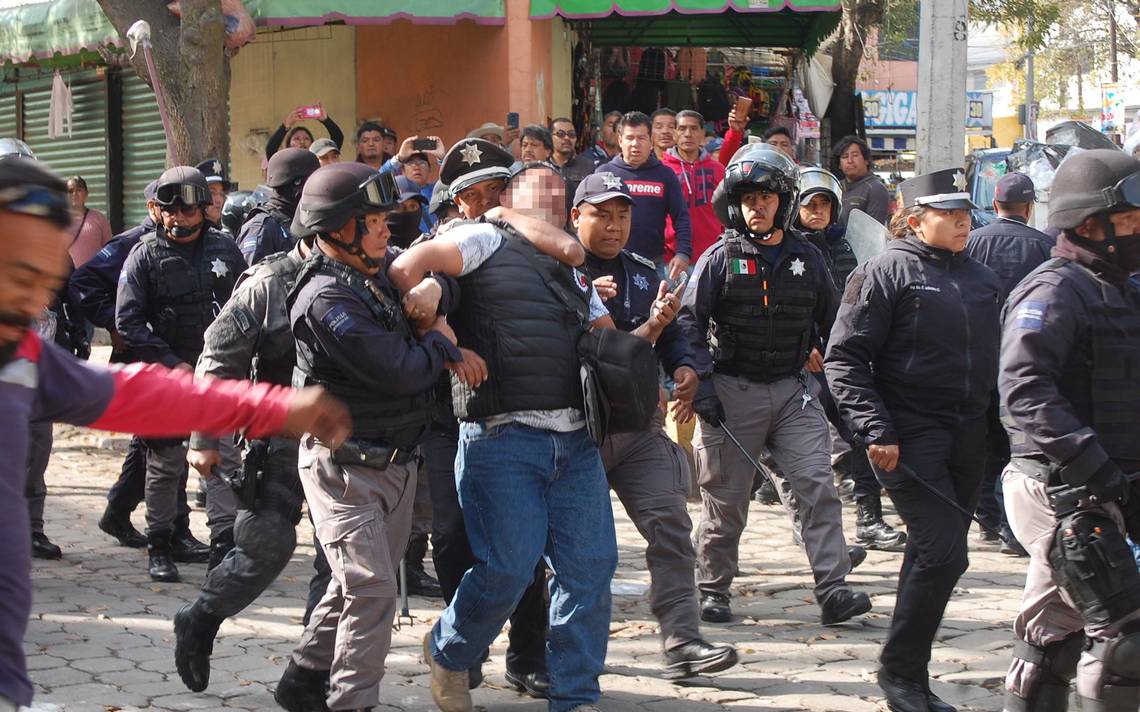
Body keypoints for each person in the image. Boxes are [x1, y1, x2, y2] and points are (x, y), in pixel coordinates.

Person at [0, 154, 349, 712]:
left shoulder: (21, 357)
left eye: (45, 282)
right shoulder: (155, 259)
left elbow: (133, 393)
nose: (36, 300)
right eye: (21, 276)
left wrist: (273, 408)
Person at [390, 139, 644, 712]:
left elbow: (593, 304)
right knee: (506, 569)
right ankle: (450, 649)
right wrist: (444, 337)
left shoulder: (563, 259)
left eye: (557, 194)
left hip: (575, 441)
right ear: (496, 198)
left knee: (590, 568)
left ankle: (575, 696)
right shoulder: (481, 237)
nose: (550, 202)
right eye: (534, 191)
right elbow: (409, 271)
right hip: (505, 439)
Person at [273, 163, 462, 712]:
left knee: (353, 582)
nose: (386, 230)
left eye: (385, 219)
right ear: (335, 228)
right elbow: (398, 370)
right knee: (373, 589)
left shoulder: (372, 272)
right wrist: (442, 342)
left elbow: (439, 268)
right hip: (345, 469)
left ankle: (303, 677)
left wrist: (434, 287)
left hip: (396, 462)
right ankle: (352, 701)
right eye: (372, 221)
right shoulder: (326, 298)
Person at [825, 168, 1002, 712]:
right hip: (909, 433)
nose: (960, 222)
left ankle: (910, 679)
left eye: (964, 213)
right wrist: (875, 429)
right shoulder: (885, 271)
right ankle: (899, 672)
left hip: (971, 434)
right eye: (947, 214)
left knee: (932, 553)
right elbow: (844, 358)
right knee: (946, 552)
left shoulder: (982, 277)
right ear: (915, 218)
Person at [677, 144, 871, 629]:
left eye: (765, 197)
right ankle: (713, 587)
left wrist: (839, 366)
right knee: (726, 501)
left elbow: (837, 322)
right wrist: (699, 383)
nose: (755, 206)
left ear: (783, 201)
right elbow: (688, 324)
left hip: (793, 392)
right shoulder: (719, 258)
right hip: (730, 394)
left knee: (816, 485)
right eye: (747, 198)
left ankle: (834, 588)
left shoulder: (808, 256)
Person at [574, 171, 739, 679]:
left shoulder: (645, 273)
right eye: (602, 214)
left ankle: (683, 640)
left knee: (670, 526)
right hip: (578, 432)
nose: (614, 226)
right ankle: (551, 653)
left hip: (641, 428)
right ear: (575, 216)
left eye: (623, 215)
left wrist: (687, 366)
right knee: (575, 549)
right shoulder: (556, 275)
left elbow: (679, 332)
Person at [408, 143, 554, 698]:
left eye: (500, 191)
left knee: (527, 543)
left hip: (513, 411)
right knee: (451, 535)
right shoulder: (440, 248)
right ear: (458, 200)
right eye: (480, 193)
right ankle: (461, 650)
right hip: (447, 417)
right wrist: (447, 340)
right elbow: (428, 295)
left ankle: (527, 654)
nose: (492, 202)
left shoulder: (528, 247)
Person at [999, 149, 1140, 712]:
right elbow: (1025, 388)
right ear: (1091, 224)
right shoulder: (1053, 291)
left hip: (1112, 485)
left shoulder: (1122, 288)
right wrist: (1092, 465)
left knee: (1053, 637)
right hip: (1062, 487)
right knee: (1125, 642)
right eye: (1131, 219)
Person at [174, 200, 321, 693]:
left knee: (341, 564)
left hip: (344, 442)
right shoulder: (267, 283)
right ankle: (201, 617)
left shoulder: (371, 272)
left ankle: (311, 670)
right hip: (275, 440)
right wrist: (203, 437)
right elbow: (217, 362)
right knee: (265, 548)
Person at [116, 165, 250, 582]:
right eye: (169, 209)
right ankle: (161, 544)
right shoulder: (143, 255)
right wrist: (172, 362)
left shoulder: (226, 250)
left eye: (188, 209)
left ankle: (223, 545)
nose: (180, 218)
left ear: (203, 208)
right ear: (157, 211)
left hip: (218, 375)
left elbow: (247, 307)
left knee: (223, 459)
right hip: (165, 379)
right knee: (165, 466)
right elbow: (127, 322)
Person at [794, 167, 906, 551]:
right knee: (791, 450)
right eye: (811, 204)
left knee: (858, 433)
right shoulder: (788, 247)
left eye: (825, 204)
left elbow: (854, 298)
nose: (819, 211)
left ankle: (869, 519)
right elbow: (785, 306)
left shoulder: (843, 246)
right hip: (799, 364)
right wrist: (803, 344)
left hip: (840, 356)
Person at [69, 181, 162, 550]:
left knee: (158, 438)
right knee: (158, 439)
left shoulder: (201, 242)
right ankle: (152, 523)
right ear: (154, 207)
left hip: (172, 351)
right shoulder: (132, 243)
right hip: (140, 354)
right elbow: (83, 281)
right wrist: (115, 322)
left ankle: (120, 511)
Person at [965, 171, 1053, 558]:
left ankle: (985, 517)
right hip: (1025, 357)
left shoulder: (971, 241)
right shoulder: (1045, 246)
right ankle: (1010, 527)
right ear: (1030, 207)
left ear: (994, 204)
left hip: (976, 354)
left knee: (979, 439)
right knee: (1018, 444)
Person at [597, 111, 692, 279]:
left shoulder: (665, 175)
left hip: (651, 264)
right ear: (620, 140)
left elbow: (681, 217)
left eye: (641, 138)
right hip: (609, 263)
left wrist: (683, 253)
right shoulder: (603, 173)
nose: (635, 144)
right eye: (629, 138)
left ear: (651, 141)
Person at [661, 109, 725, 265]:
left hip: (711, 257)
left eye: (694, 128)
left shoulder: (718, 169)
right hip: (671, 259)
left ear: (703, 134)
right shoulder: (662, 169)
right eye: (682, 128)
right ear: (674, 133)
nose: (688, 134)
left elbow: (727, 210)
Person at [238, 148, 320, 266]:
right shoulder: (262, 228)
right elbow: (252, 280)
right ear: (296, 185)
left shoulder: (304, 220)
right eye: (311, 184)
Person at [832, 135, 891, 226]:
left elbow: (874, 230)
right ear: (839, 164)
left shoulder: (875, 188)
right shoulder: (836, 187)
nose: (850, 160)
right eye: (844, 157)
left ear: (866, 160)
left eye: (855, 155)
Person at [549, 118, 602, 208]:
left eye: (571, 135)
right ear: (549, 137)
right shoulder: (543, 166)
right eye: (560, 134)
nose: (566, 138)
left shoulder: (589, 167)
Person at [65, 175, 113, 270]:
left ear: (86, 193)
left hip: (93, 279)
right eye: (70, 191)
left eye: (79, 190)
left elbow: (110, 250)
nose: (74, 194)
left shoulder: (98, 218)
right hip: (68, 281)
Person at [265, 105, 344, 160]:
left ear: (312, 144)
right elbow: (270, 150)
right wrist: (285, 125)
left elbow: (338, 138)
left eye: (306, 139)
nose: (302, 142)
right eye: (297, 139)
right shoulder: (284, 163)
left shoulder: (318, 161)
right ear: (288, 145)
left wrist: (326, 120)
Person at [195, 159, 229, 228]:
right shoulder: (190, 236)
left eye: (221, 194)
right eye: (212, 193)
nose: (219, 200)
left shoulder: (224, 235)